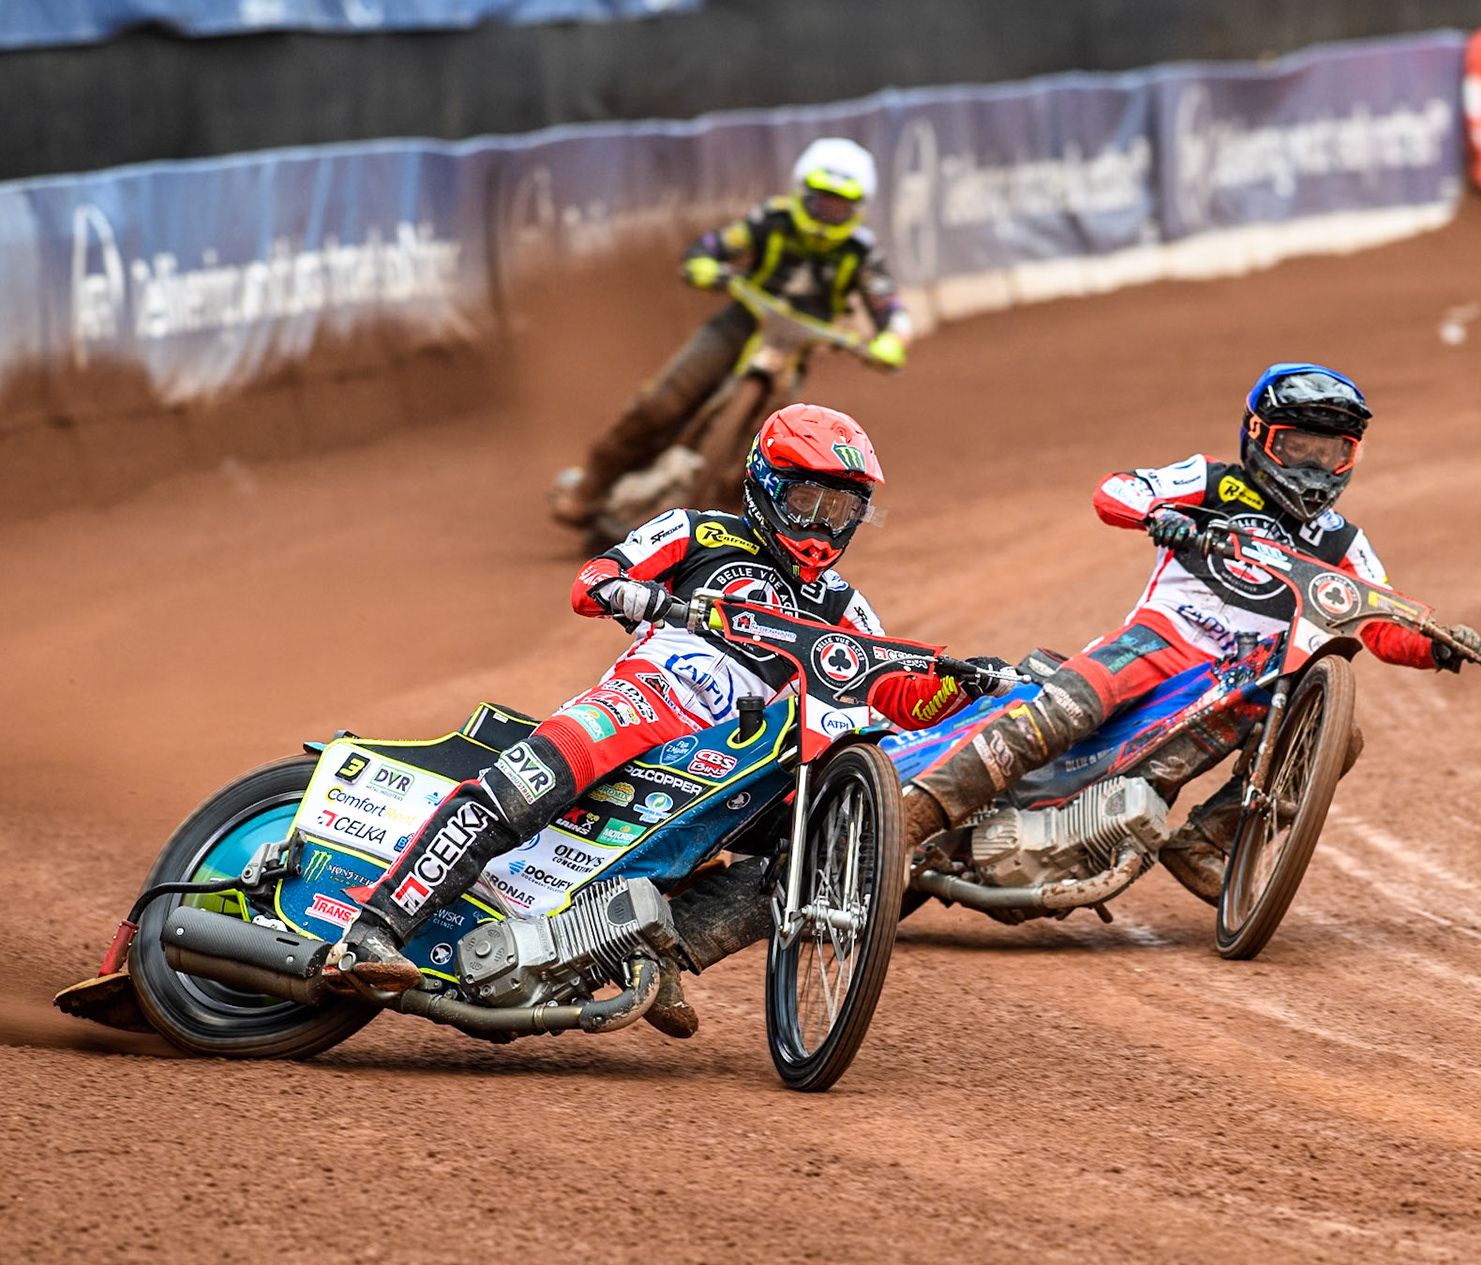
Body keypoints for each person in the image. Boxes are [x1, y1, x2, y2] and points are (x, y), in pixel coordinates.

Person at [331, 404, 1008, 1035]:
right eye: (808, 501)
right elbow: (592, 581)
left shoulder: (845, 608)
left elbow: (893, 696)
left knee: (807, 851)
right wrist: (639, 596)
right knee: (527, 784)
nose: (822, 526)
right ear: (767, 487)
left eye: (841, 509)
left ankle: (658, 954)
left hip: (727, 756)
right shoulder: (698, 531)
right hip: (643, 700)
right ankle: (372, 929)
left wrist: (959, 688)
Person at [900, 364, 1481, 904]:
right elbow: (1119, 489)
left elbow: (1380, 618)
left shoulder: (1344, 542)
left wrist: (1435, 642)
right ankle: (914, 815)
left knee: (1336, 735)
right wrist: (1158, 515)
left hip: (1246, 679)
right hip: (1161, 641)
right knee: (1067, 708)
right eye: (1297, 446)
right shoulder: (1214, 482)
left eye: (1330, 451)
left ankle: (1208, 840)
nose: (1312, 466)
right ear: (1259, 436)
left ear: (1350, 456)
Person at [551, 137, 914, 527]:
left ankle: (726, 522)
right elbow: (713, 245)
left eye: (839, 207)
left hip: (793, 349)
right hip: (739, 323)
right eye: (821, 203)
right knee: (663, 403)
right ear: (801, 195)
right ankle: (589, 487)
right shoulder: (771, 220)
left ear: (857, 209)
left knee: (777, 447)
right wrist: (705, 264)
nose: (827, 215)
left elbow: (888, 306)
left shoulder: (861, 252)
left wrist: (892, 339)